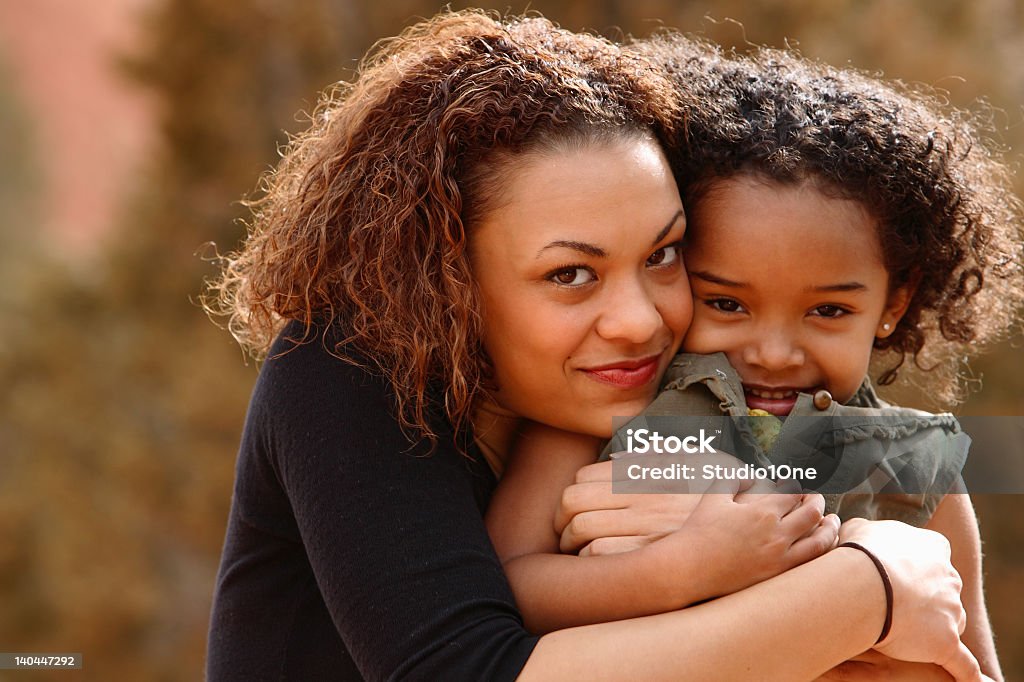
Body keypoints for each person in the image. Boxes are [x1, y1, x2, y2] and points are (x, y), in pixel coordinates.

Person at [205, 11, 983, 681]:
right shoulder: (344, 371)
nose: (640, 320)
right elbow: (463, 668)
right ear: (445, 280)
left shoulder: (655, 399)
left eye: (663, 254)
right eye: (571, 273)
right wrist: (872, 587)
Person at [486, 37, 1023, 680]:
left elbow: (973, 664)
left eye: (827, 311)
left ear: (894, 302)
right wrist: (682, 568)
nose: (772, 354)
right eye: (727, 304)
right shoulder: (600, 421)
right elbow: (506, 589)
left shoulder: (917, 472)